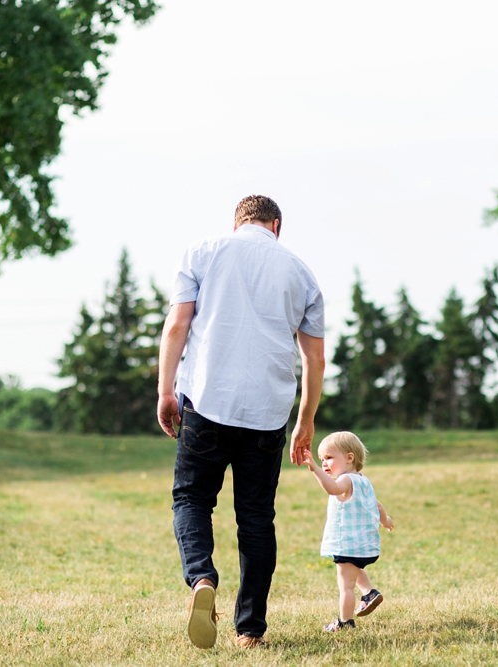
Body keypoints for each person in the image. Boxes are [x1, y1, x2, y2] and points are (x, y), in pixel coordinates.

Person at [156, 195, 326, 650]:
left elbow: (176, 327)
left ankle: (200, 579)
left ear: (238, 224)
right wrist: (305, 420)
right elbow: (314, 358)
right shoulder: (301, 272)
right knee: (255, 518)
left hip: (207, 403)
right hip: (267, 416)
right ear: (277, 225)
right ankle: (249, 629)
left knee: (191, 498)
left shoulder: (203, 252)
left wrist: (166, 390)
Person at [301, 431, 394, 632]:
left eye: (329, 458)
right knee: (353, 568)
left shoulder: (345, 480)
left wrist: (315, 469)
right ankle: (369, 593)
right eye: (321, 459)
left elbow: (332, 489)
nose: (324, 463)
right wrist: (386, 521)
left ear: (349, 458)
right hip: (363, 545)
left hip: (347, 543)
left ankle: (345, 622)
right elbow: (376, 505)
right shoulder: (364, 481)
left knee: (345, 586)